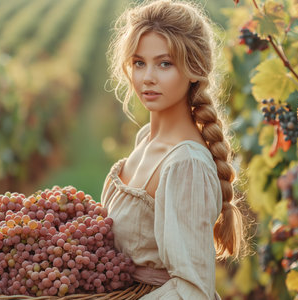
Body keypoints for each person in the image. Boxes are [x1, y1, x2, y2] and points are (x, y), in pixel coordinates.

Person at [101, 0, 248, 299]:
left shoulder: (186, 164)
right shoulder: (145, 139)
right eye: (139, 63)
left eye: (164, 63)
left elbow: (192, 292)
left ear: (195, 69)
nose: (148, 78)